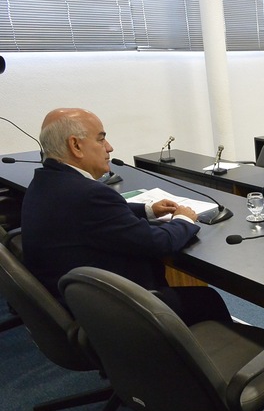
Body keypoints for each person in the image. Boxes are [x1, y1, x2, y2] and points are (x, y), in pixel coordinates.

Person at [21, 107, 231, 325]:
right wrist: (184, 219)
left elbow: (90, 216)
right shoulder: (90, 194)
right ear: (76, 146)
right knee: (208, 300)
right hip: (110, 311)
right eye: (101, 139)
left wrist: (148, 210)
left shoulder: (45, 181)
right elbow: (158, 243)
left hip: (69, 302)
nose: (109, 147)